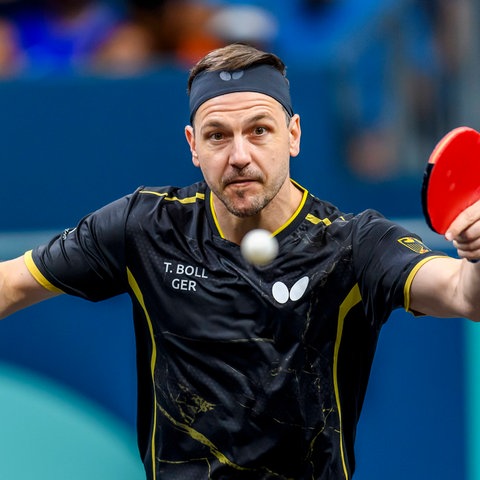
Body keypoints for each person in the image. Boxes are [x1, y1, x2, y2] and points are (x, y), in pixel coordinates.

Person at [1, 42, 479, 479]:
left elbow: (462, 293)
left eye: (259, 130)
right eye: (217, 136)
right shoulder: (144, 227)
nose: (240, 156)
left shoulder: (354, 245)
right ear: (192, 144)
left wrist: (476, 256)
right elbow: (13, 283)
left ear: (293, 135)